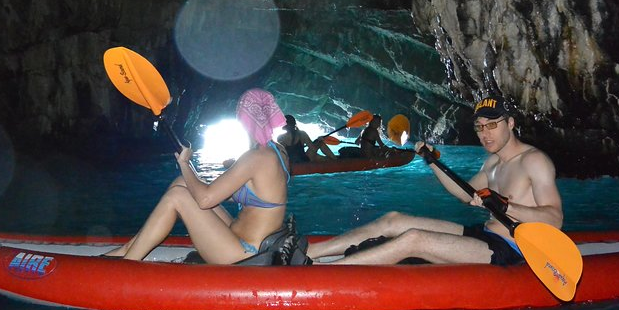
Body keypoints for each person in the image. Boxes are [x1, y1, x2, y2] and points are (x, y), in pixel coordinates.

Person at [307, 96, 564, 266]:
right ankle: (309, 254)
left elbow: (555, 219)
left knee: (414, 239)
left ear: (510, 123)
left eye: (492, 125)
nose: (485, 133)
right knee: (394, 220)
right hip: (484, 233)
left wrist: (506, 207)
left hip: (513, 250)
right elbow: (466, 194)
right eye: (479, 127)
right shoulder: (493, 163)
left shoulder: (534, 161)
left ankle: (327, 272)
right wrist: (432, 162)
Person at [104, 88, 291, 264]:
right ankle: (129, 247)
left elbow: (204, 200)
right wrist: (195, 178)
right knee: (182, 182)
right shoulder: (278, 152)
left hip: (245, 253)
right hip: (241, 238)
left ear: (245, 118)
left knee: (177, 196)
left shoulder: (256, 157)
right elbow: (255, 195)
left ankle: (129, 263)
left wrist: (184, 164)